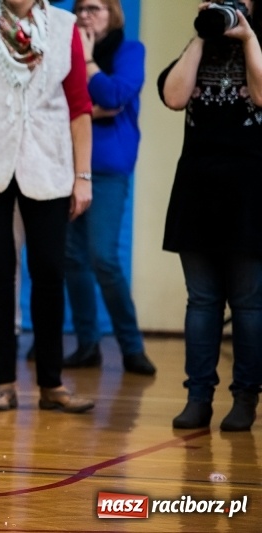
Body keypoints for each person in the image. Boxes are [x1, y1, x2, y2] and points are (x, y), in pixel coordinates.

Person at [0, 0, 95, 414]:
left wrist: (83, 175)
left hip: (49, 163)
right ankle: (3, 382)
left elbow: (79, 106)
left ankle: (52, 383)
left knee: (48, 269)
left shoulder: (65, 27)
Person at [158, 0, 262, 432]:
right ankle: (198, 397)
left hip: (251, 194)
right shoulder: (196, 48)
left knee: (248, 304)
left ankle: (244, 398)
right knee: (201, 302)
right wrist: (203, 32)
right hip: (197, 194)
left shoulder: (258, 46)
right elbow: (173, 96)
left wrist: (249, 36)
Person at [63, 0, 155, 376]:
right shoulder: (64, 51)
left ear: (113, 13)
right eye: (81, 8)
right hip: (65, 166)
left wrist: (86, 62)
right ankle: (87, 345)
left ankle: (131, 346)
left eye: (96, 7)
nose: (86, 14)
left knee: (103, 256)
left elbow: (116, 96)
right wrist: (92, 104)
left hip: (108, 167)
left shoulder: (130, 50)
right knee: (72, 258)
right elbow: (61, 103)